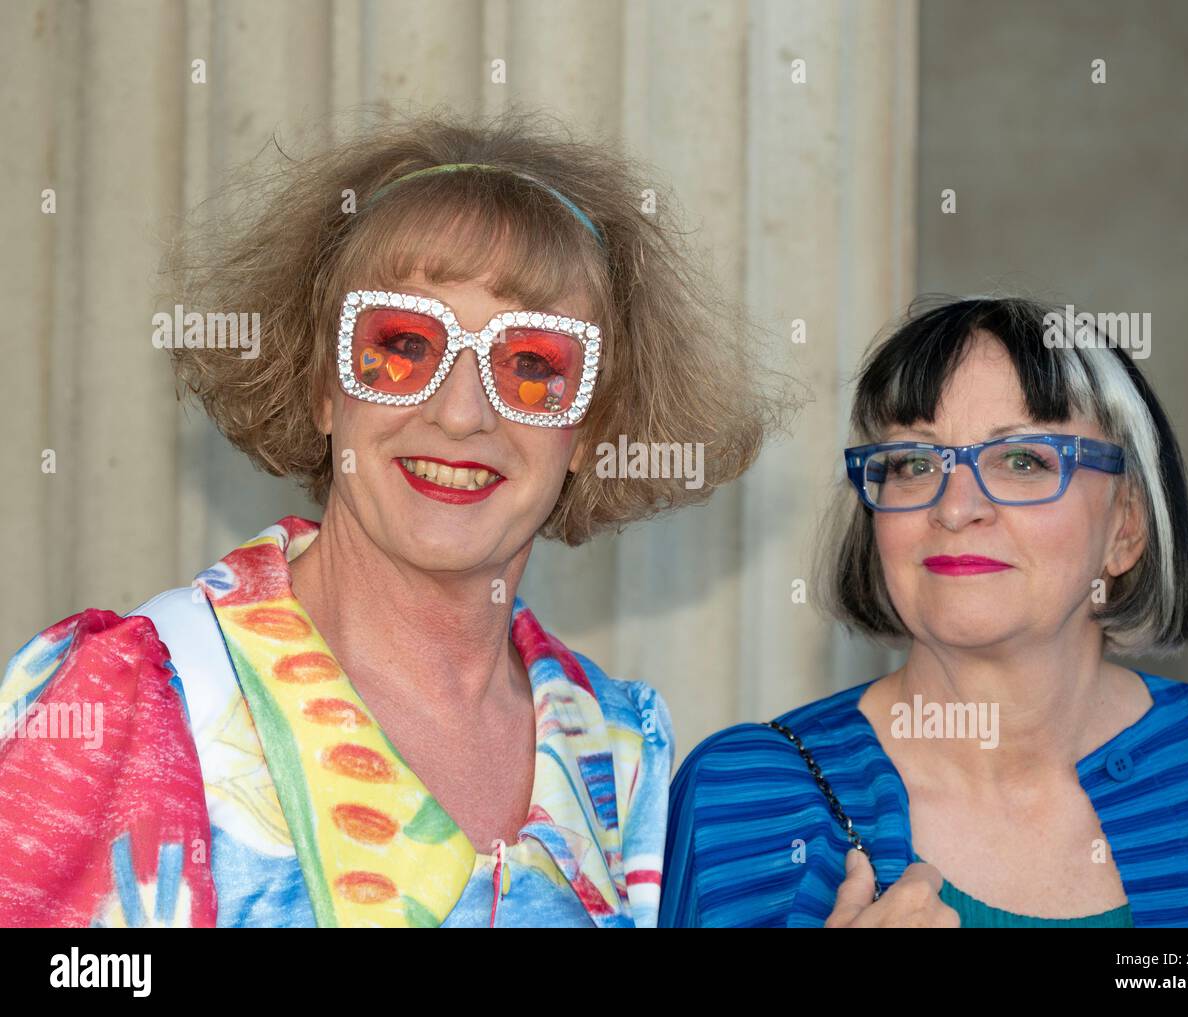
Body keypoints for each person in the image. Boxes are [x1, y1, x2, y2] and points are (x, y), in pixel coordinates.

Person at [0, 109, 779, 928]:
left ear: (588, 428)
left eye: (530, 367)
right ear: (322, 386)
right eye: (402, 346)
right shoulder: (140, 697)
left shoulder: (619, 754)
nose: (460, 412)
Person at [660, 296, 1188, 928]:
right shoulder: (744, 795)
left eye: (1022, 460)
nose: (955, 507)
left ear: (1126, 528)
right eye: (913, 462)